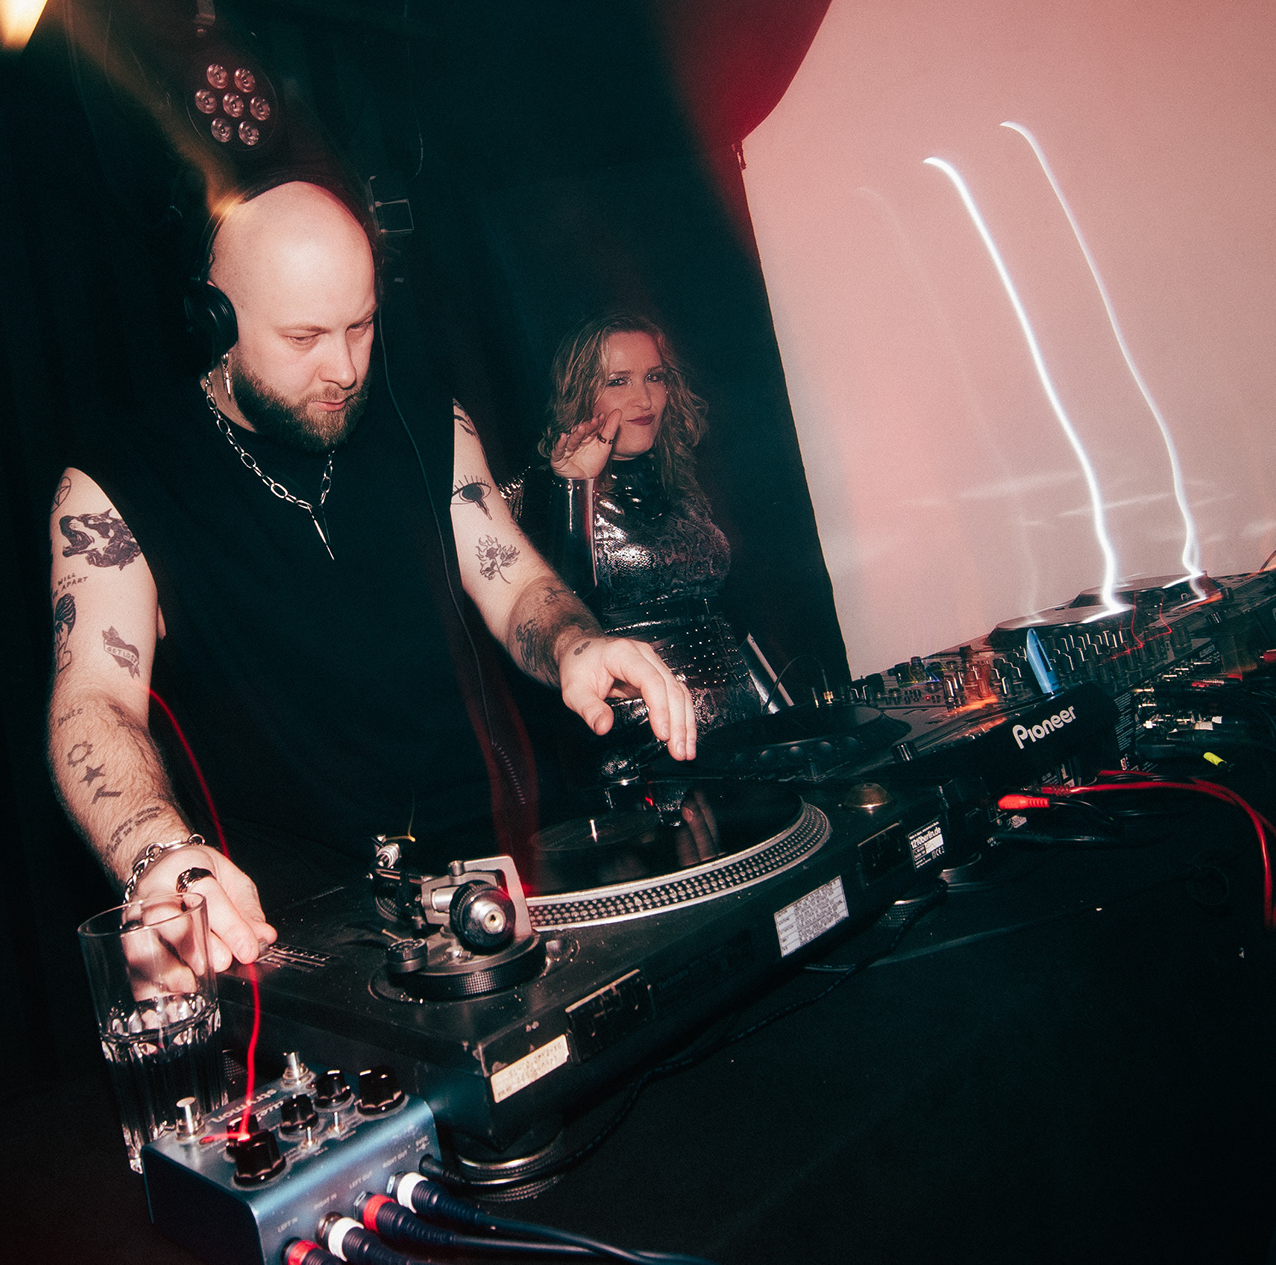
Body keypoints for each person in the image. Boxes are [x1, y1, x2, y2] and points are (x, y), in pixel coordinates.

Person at [45, 180, 696, 971]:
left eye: (360, 326)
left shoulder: (428, 421)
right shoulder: (119, 483)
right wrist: (158, 855)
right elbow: (93, 701)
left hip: (491, 878)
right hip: (297, 920)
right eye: (304, 338)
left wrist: (575, 644)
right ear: (215, 320)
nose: (346, 369)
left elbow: (516, 583)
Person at [510, 313, 769, 772]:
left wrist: (780, 714)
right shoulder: (545, 492)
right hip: (640, 750)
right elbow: (561, 610)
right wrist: (575, 488)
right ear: (580, 392)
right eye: (618, 381)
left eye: (655, 377)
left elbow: (727, 616)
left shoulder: (680, 479)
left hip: (741, 730)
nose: (644, 398)